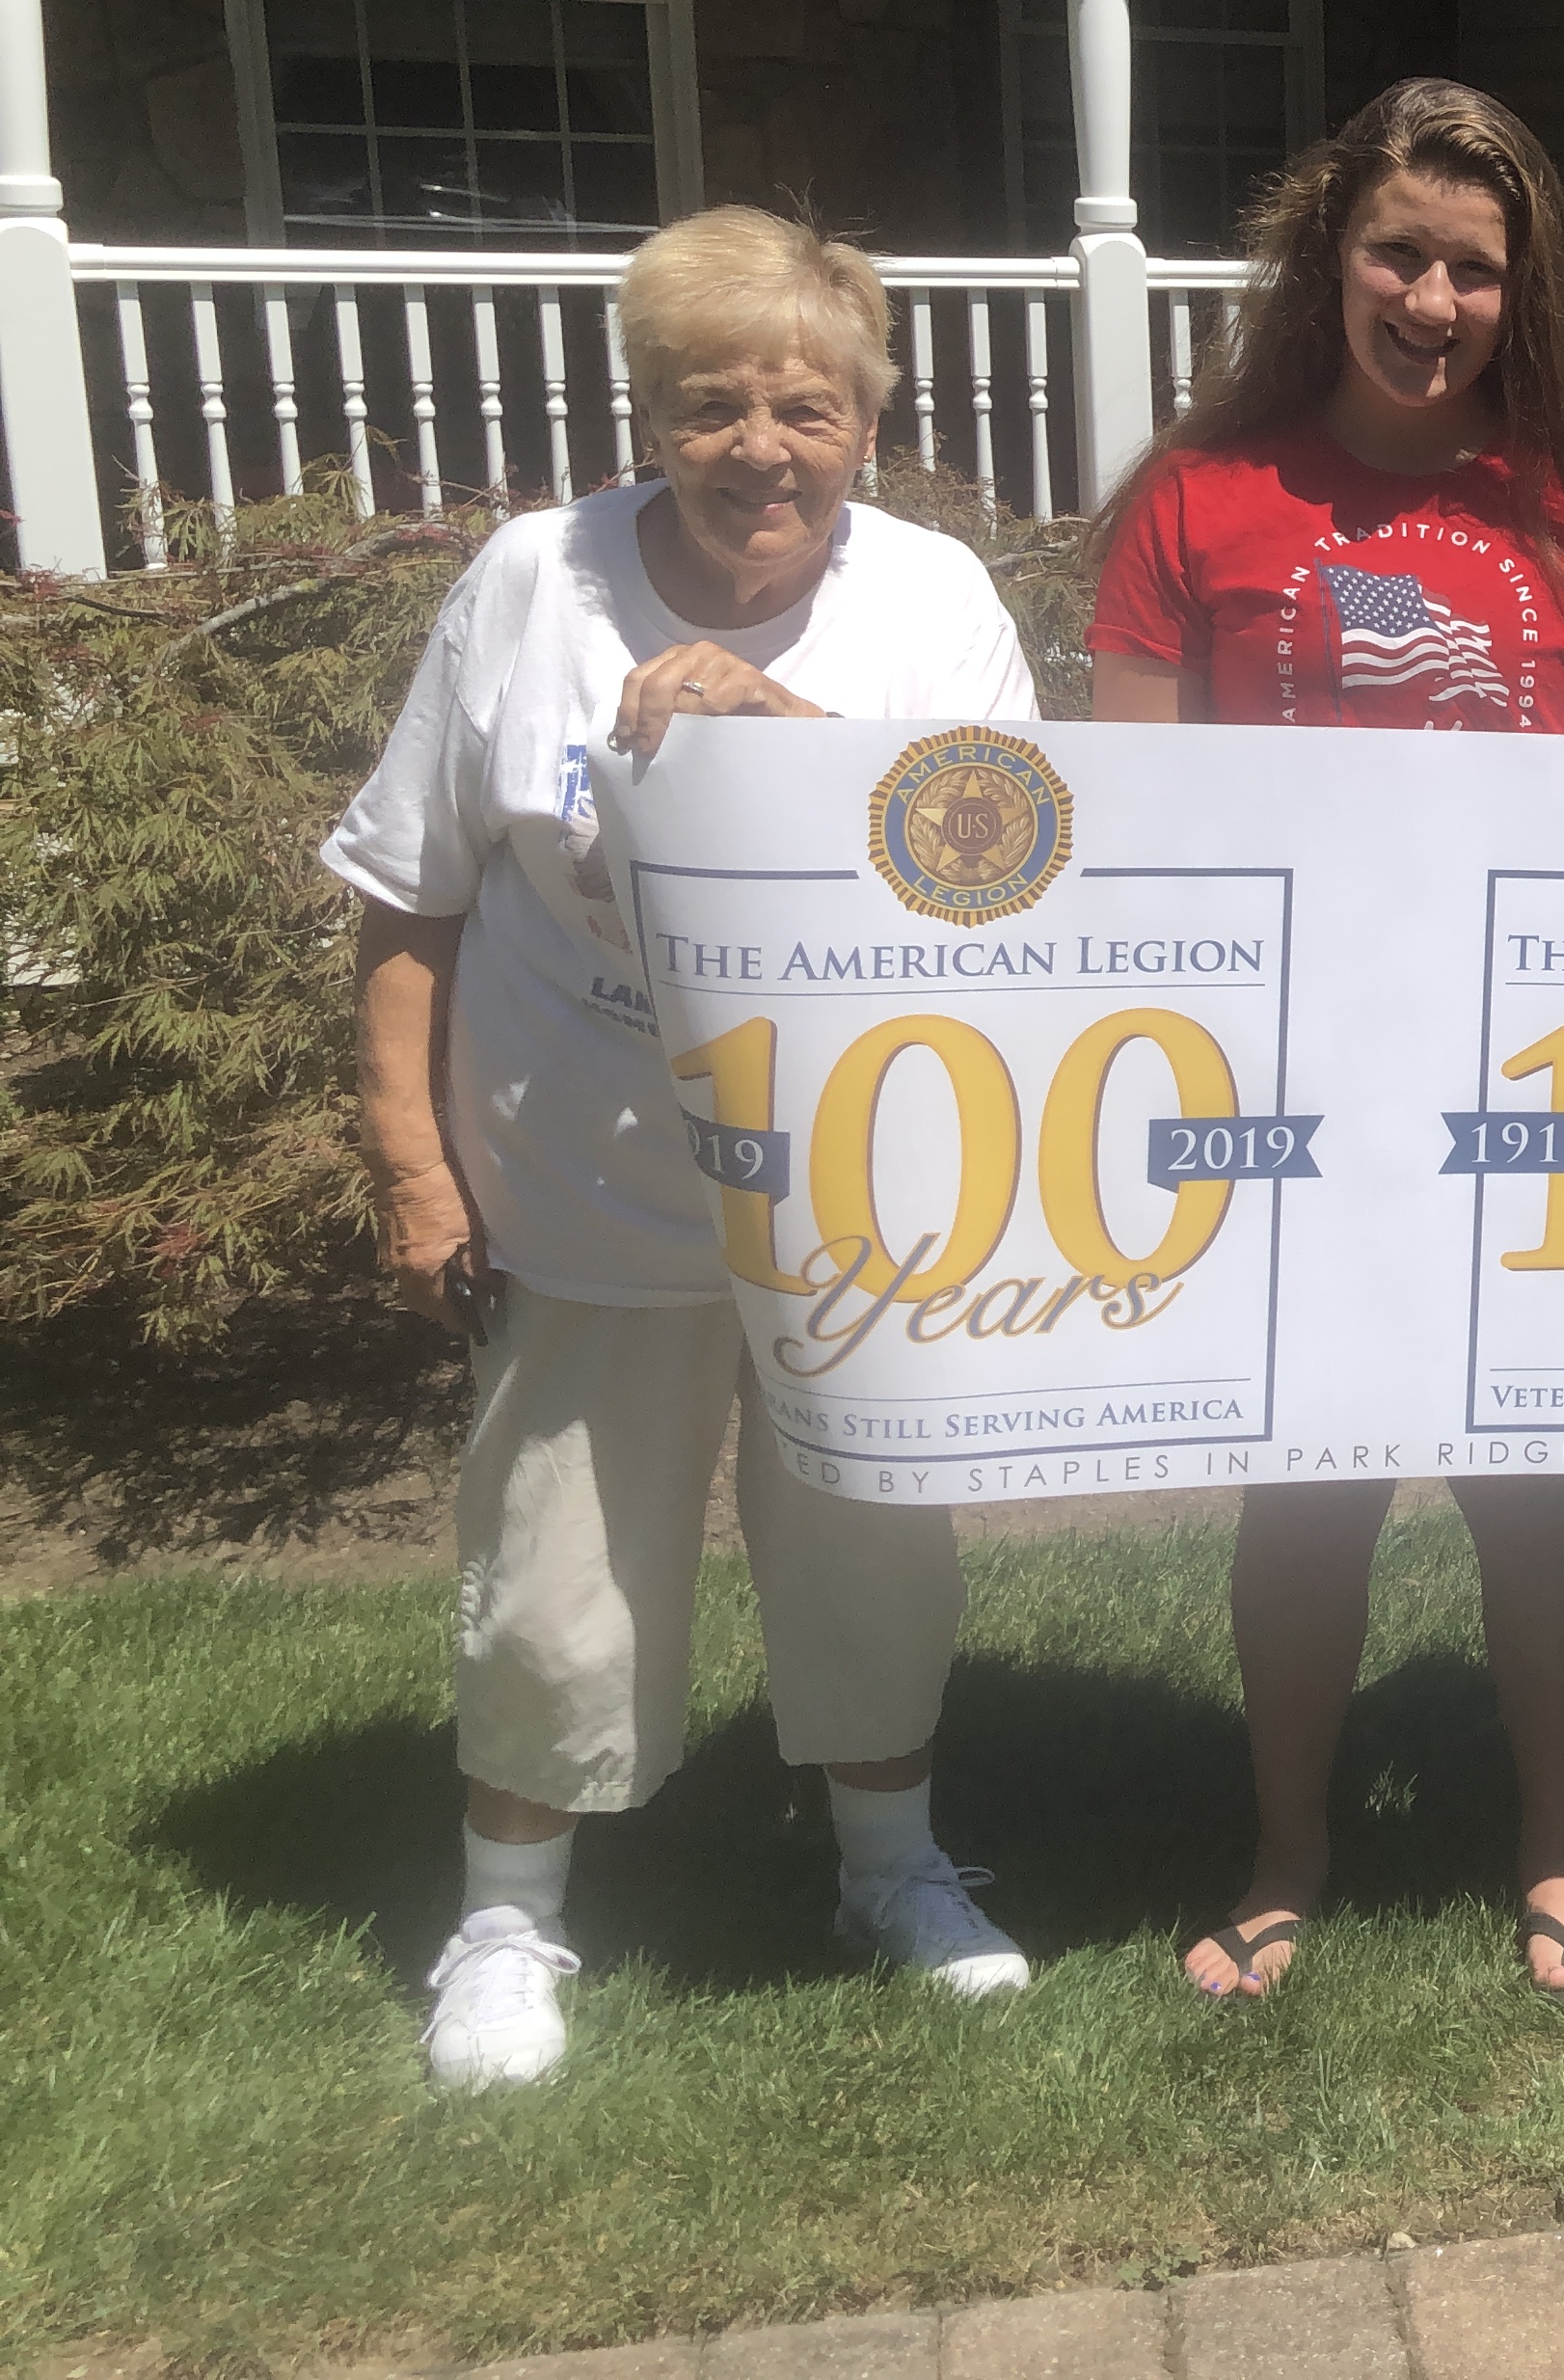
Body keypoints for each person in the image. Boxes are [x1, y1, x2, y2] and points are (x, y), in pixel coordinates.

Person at [328, 207, 1047, 2091]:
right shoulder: (530, 582)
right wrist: (413, 1166)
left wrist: (778, 723)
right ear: (648, 416)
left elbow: (1007, 878)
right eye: (711, 404)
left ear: (868, 423)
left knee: (874, 1548)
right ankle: (508, 1920)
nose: (760, 449)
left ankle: (889, 1870)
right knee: (557, 1558)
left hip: (857, 1192)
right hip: (582, 1177)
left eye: (806, 408)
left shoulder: (933, 598)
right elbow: (410, 892)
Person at [1086, 77, 1564, 2004]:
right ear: (1325, 258)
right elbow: (1139, 815)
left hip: (1536, 1081)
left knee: (1532, 1471)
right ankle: (1287, 1850)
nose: (1432, 303)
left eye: (1475, 269)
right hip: (1294, 1080)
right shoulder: (1199, 499)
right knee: (1312, 1475)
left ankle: (1557, 1848)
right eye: (1397, 255)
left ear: (1527, 293)